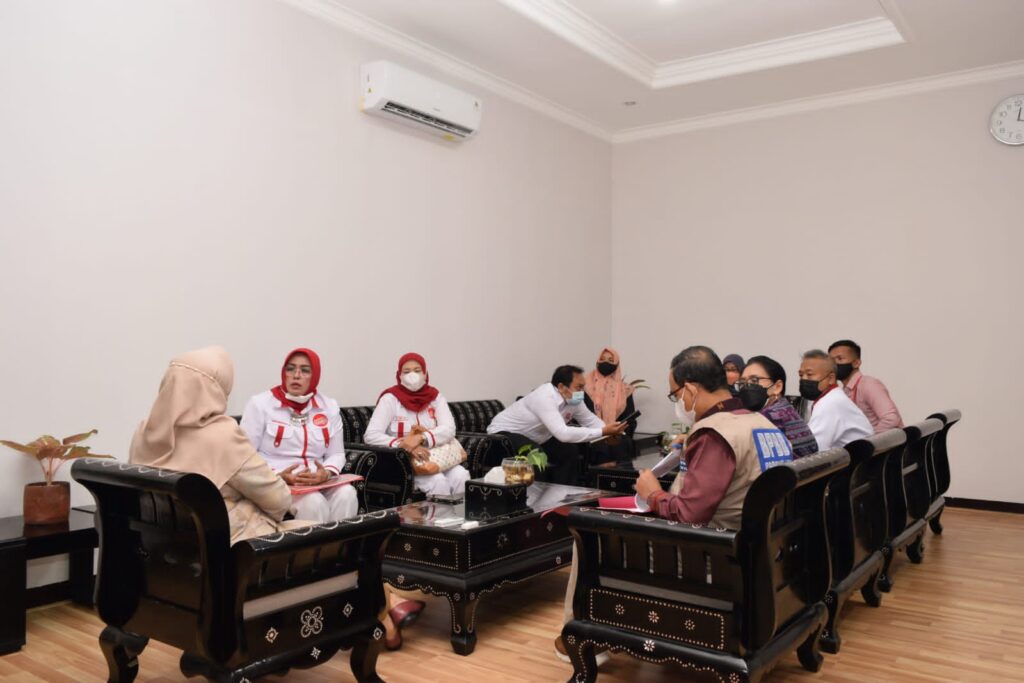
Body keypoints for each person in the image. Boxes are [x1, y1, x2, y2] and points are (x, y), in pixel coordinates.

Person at [556, 346, 793, 663]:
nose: (677, 402)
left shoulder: (716, 434)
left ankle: (583, 635)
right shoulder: (761, 423)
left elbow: (689, 516)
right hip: (760, 551)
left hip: (711, 560)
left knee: (588, 528)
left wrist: (653, 493)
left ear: (691, 389)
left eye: (675, 394)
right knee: (608, 511)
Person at [129, 346, 312, 544]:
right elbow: (279, 501)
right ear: (214, 390)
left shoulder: (144, 432)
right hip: (236, 549)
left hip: (165, 548)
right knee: (327, 534)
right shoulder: (223, 436)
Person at [240, 348, 358, 523]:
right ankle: (313, 543)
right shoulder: (260, 404)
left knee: (348, 494)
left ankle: (341, 542)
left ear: (315, 376)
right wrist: (278, 475)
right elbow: (245, 455)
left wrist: (326, 473)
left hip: (318, 480)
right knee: (314, 502)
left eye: (305, 370)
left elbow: (336, 453)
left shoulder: (329, 406)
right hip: (277, 481)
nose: (296, 375)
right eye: (290, 369)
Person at [487, 365, 628, 485]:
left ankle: (563, 497)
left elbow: (591, 421)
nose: (582, 392)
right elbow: (563, 434)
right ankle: (534, 502)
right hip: (502, 435)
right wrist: (603, 432)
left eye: (583, 387)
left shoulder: (575, 399)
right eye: (579, 387)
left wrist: (613, 432)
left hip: (535, 437)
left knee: (569, 452)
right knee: (536, 455)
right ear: (561, 387)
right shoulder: (544, 396)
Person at [364, 352, 471, 496]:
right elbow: (371, 435)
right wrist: (404, 445)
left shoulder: (435, 397)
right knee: (437, 481)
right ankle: (438, 512)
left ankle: (461, 511)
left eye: (417, 370)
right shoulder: (390, 399)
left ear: (425, 374)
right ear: (399, 375)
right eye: (406, 371)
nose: (412, 375)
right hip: (405, 462)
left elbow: (449, 428)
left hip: (438, 456)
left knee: (461, 475)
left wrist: (421, 438)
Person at [736, 355, 819, 457]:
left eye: (754, 380)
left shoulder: (769, 418)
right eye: (742, 382)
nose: (747, 386)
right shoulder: (785, 409)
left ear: (777, 387)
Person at [798, 349, 872, 450]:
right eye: (801, 375)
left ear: (831, 378)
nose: (804, 379)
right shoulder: (831, 397)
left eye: (810, 374)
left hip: (857, 459)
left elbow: (812, 448)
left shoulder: (830, 404)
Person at [828, 339, 904, 432]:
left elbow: (891, 419)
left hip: (883, 440)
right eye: (831, 361)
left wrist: (868, 439)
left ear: (856, 363)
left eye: (840, 359)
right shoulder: (844, 391)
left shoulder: (869, 384)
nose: (834, 365)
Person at [583, 348, 638, 468]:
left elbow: (630, 419)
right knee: (601, 447)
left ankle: (621, 479)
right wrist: (600, 432)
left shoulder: (625, 390)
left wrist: (617, 432)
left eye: (610, 360)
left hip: (617, 435)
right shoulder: (584, 387)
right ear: (597, 362)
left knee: (621, 445)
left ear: (617, 364)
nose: (605, 363)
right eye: (602, 359)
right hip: (592, 434)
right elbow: (578, 414)